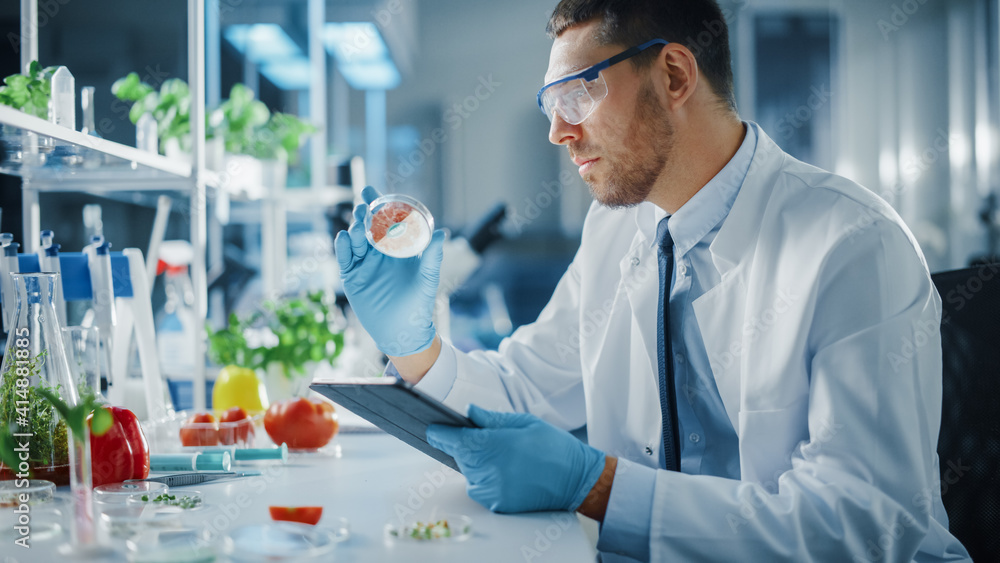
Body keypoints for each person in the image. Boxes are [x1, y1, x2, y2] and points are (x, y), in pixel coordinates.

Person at [335, 1, 971, 561]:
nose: (558, 131)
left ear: (673, 75)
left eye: (577, 95)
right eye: (550, 106)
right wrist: (413, 344)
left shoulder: (854, 245)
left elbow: (860, 527)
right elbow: (525, 392)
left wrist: (598, 487)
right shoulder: (618, 230)